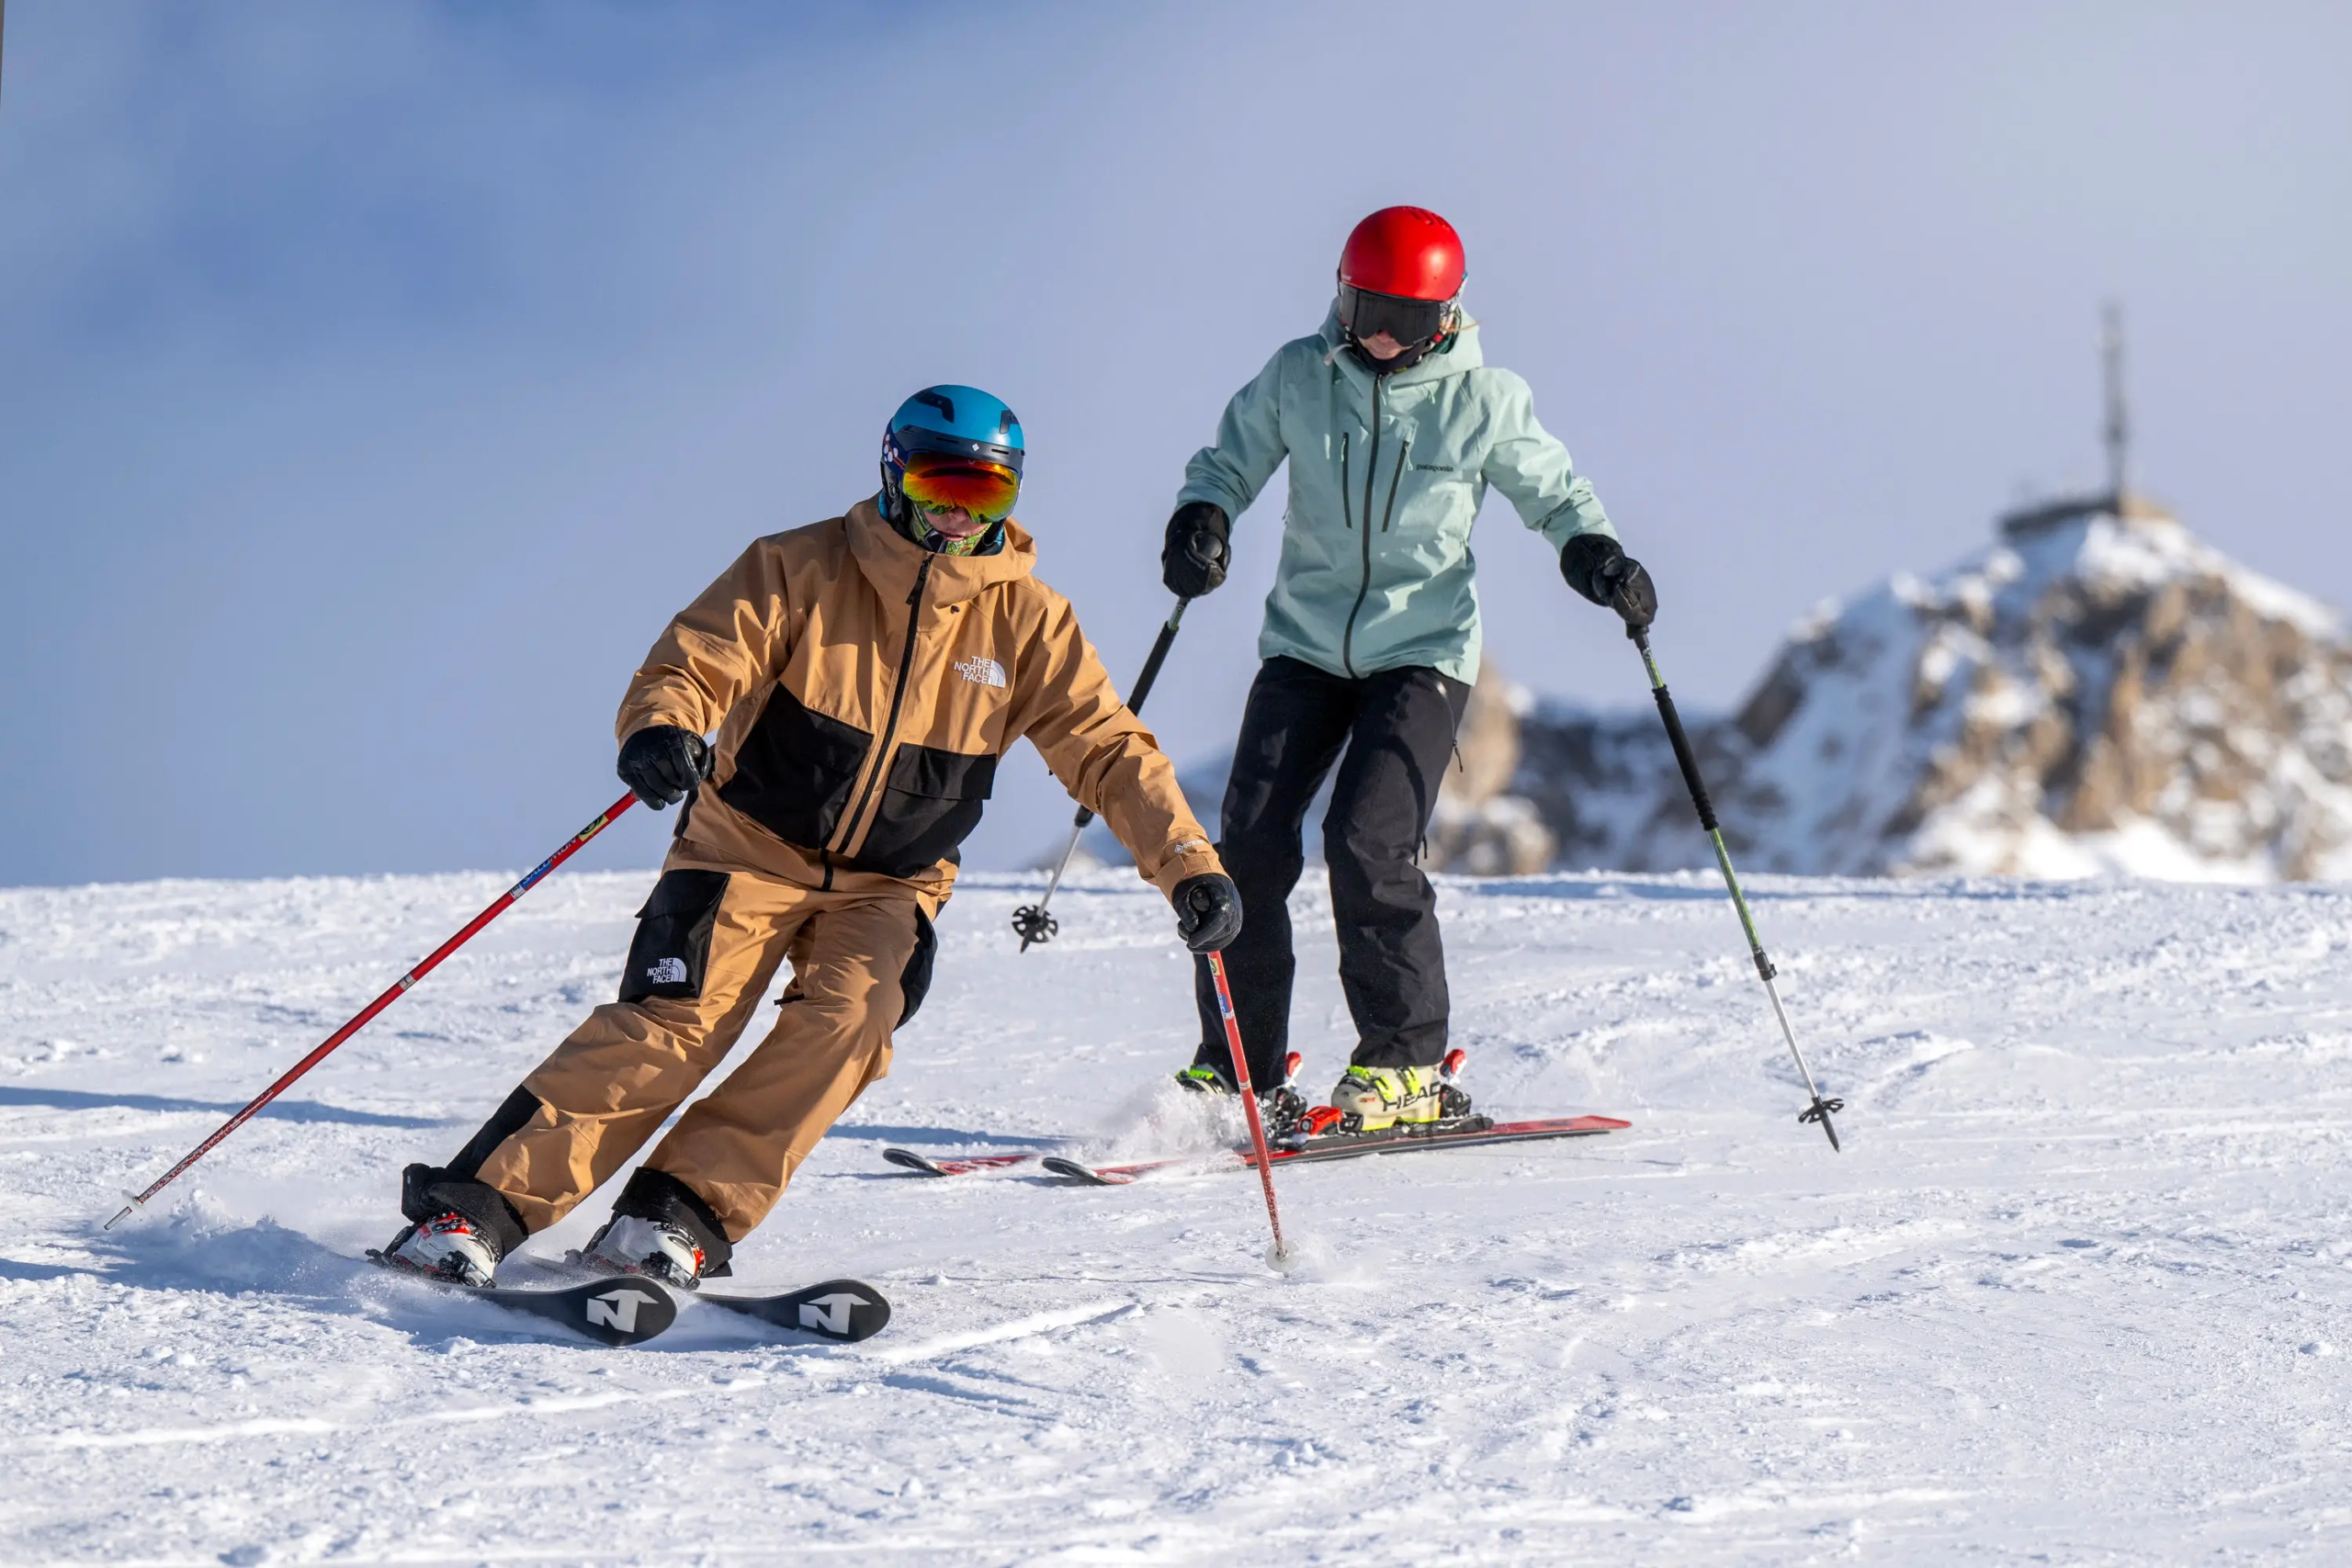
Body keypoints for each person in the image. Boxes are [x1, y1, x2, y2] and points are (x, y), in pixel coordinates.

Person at [383, 386, 1241, 1288]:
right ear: (893, 472)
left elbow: (1107, 749)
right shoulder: (799, 566)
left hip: (891, 883)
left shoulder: (1030, 622)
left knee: (849, 1023)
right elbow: (696, 659)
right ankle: (470, 1210)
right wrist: (661, 727)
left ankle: (672, 1219)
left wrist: (1188, 865)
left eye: (984, 495)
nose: (957, 511)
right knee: (672, 1030)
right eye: (940, 483)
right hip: (744, 847)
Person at [1161, 206, 1655, 1132]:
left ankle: (1405, 1064)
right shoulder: (1297, 379)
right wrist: (1203, 517)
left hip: (1421, 654)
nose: (1386, 336)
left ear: (1449, 317)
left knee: (1366, 838)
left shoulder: (1485, 400)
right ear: (1340, 296)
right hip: (1303, 647)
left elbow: (1554, 491)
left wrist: (1595, 553)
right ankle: (1238, 1071)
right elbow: (1226, 464)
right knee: (1248, 849)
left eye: (1411, 318)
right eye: (1369, 309)